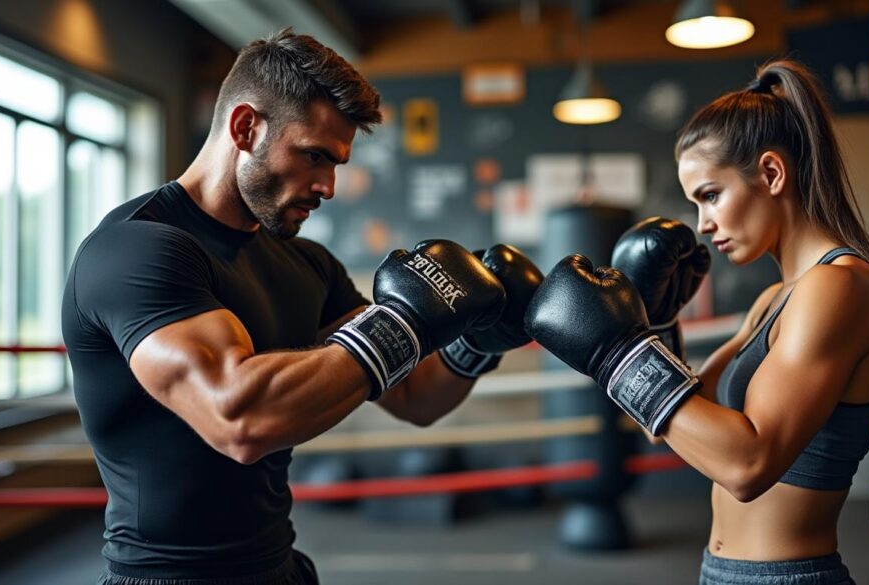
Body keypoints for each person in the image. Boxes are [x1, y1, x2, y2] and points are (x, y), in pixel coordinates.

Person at [61, 29, 542, 585]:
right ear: (246, 128)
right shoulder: (137, 251)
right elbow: (238, 418)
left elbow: (416, 396)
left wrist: (476, 344)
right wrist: (404, 320)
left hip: (277, 566)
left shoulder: (307, 264)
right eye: (314, 156)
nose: (328, 186)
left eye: (336, 163)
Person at [526, 59, 869, 585]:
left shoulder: (839, 287)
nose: (702, 224)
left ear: (771, 173)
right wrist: (655, 327)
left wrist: (615, 353)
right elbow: (670, 427)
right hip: (720, 571)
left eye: (710, 195)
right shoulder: (775, 298)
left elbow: (748, 465)